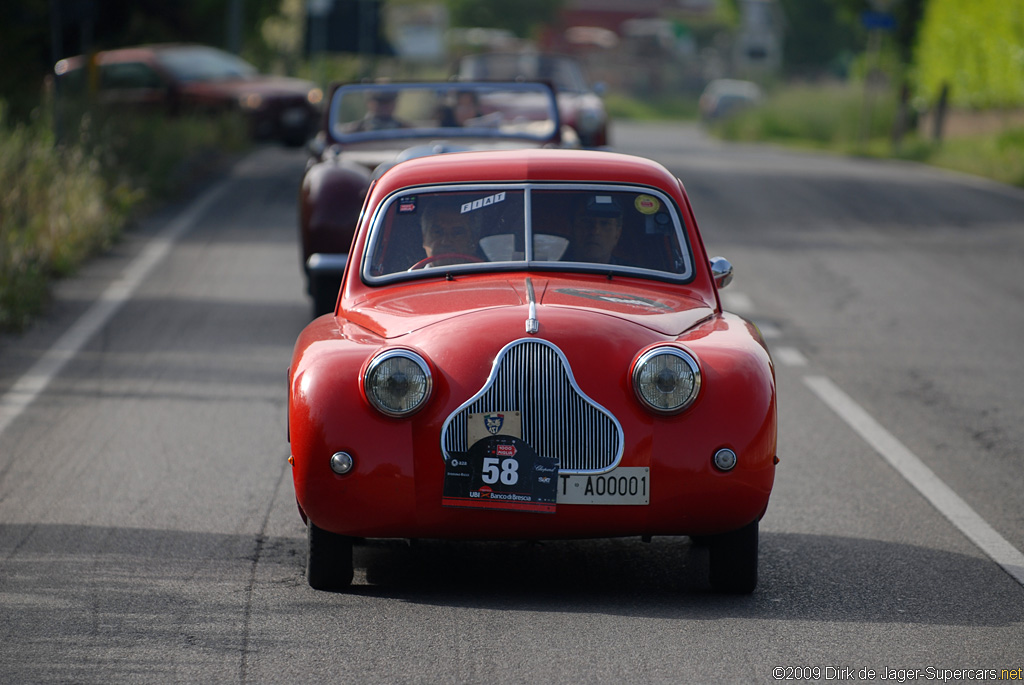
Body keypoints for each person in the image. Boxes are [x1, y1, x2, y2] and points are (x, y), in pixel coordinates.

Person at [416, 199, 484, 268]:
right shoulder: (410, 277)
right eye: (437, 232)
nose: (446, 242)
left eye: (457, 233)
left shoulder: (490, 275)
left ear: (473, 241)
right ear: (424, 239)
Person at [566, 195, 623, 264]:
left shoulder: (631, 272)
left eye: (604, 223)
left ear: (617, 234)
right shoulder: (552, 267)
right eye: (586, 221)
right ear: (571, 228)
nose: (595, 231)